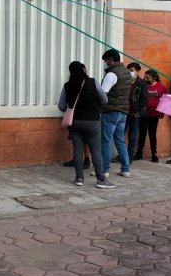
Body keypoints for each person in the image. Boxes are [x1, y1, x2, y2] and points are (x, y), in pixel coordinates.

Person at [58, 61, 115, 189]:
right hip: (92, 122)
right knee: (96, 150)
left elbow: (61, 106)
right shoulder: (93, 82)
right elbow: (105, 100)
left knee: (77, 149)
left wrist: (71, 109)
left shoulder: (67, 85)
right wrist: (95, 107)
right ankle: (101, 180)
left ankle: (79, 178)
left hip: (75, 122)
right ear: (84, 70)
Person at [94, 49, 132, 179]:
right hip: (123, 111)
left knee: (106, 141)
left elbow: (103, 94)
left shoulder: (111, 74)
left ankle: (104, 170)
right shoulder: (127, 72)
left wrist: (98, 106)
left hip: (111, 110)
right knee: (120, 140)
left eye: (106, 61)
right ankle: (126, 169)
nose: (106, 63)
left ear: (111, 59)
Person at [133, 70, 167, 163]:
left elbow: (165, 100)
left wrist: (162, 111)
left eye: (148, 78)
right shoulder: (143, 86)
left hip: (154, 114)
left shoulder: (161, 87)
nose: (146, 80)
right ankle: (139, 153)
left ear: (154, 78)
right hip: (142, 113)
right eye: (145, 78)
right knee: (142, 134)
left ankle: (154, 154)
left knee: (152, 134)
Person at [64, 63, 91, 169]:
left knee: (78, 140)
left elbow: (62, 104)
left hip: (74, 117)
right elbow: (103, 99)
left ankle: (82, 159)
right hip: (88, 118)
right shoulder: (91, 83)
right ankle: (84, 160)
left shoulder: (69, 85)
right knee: (84, 141)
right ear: (83, 70)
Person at [125, 62, 149, 162]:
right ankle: (122, 154)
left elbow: (144, 100)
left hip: (136, 114)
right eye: (128, 71)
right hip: (124, 112)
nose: (130, 73)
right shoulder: (124, 82)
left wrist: (133, 109)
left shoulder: (142, 84)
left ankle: (129, 156)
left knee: (132, 136)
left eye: (132, 71)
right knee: (119, 134)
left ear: (138, 72)